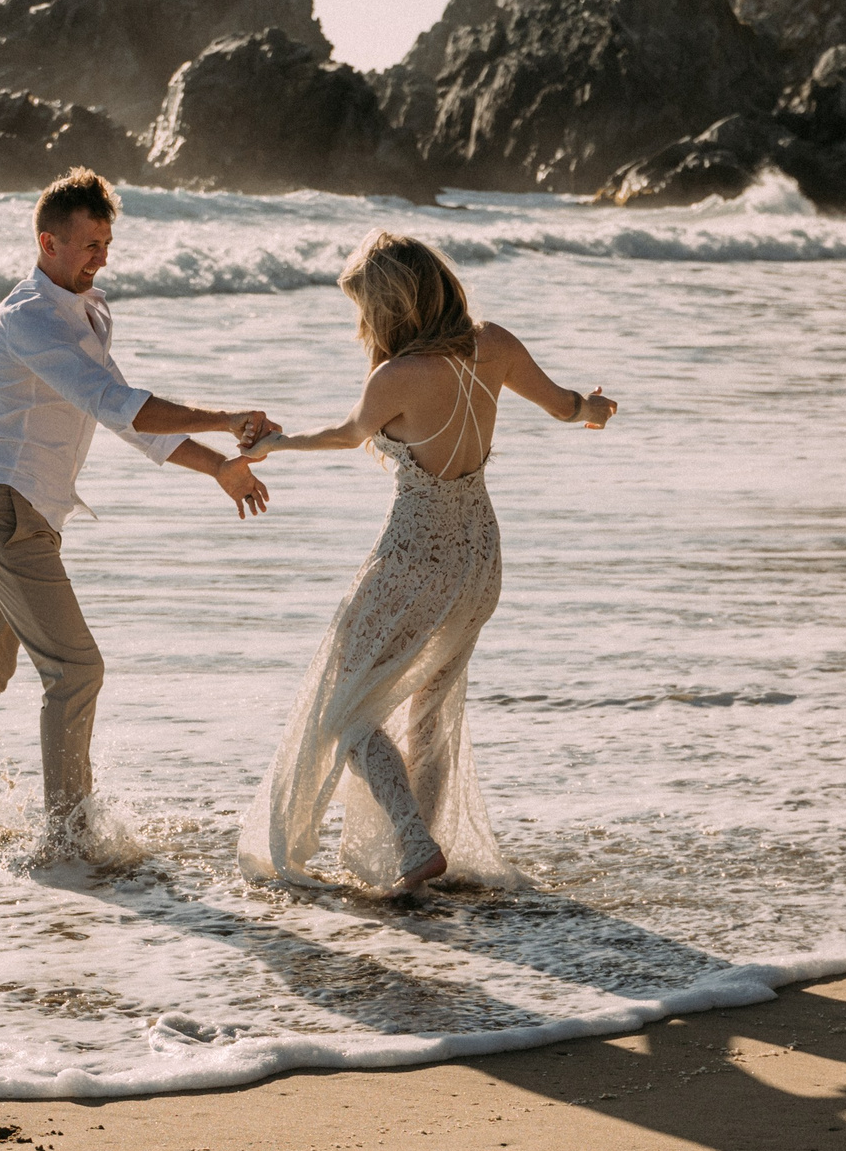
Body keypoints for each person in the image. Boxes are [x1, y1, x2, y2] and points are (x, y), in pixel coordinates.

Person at [0, 168, 276, 851]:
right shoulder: (30, 318)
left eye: (107, 241)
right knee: (76, 669)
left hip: (25, 513)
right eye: (92, 244)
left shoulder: (88, 310)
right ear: (49, 242)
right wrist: (228, 418)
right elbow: (113, 402)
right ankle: (69, 834)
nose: (104, 256)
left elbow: (129, 418)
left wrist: (218, 464)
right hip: (3, 504)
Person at [236, 230, 615, 895]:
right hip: (481, 556)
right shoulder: (491, 342)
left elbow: (345, 435)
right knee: (433, 710)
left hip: (416, 554)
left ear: (389, 308)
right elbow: (563, 404)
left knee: (344, 703)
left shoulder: (397, 376)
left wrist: (274, 443)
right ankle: (425, 861)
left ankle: (414, 841)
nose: (362, 325)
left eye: (365, 311)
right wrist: (595, 409)